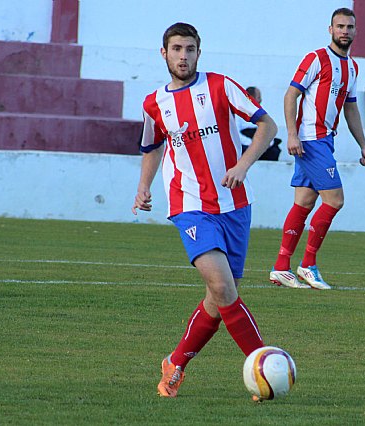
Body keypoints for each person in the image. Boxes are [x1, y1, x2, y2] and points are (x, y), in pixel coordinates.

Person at [132, 22, 277, 398]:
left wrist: (243, 165)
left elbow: (267, 124)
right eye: (177, 49)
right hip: (190, 206)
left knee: (218, 298)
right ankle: (264, 368)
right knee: (221, 286)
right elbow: (152, 147)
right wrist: (144, 186)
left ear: (199, 52)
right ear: (163, 53)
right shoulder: (154, 103)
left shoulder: (221, 86)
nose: (183, 56)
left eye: (190, 49)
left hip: (235, 206)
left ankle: (175, 363)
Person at [269, 8, 365, 290]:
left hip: (325, 139)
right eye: (339, 26)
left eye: (350, 27)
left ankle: (281, 267)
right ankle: (308, 264)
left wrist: (363, 145)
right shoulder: (316, 58)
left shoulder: (352, 67)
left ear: (355, 31)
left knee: (303, 202)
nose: (345, 31)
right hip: (310, 139)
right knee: (335, 200)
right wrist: (292, 134)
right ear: (330, 29)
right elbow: (291, 94)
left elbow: (350, 107)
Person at [237, 86, 282, 160]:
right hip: (247, 143)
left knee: (274, 150)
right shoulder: (238, 113)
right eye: (258, 97)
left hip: (261, 142)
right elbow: (237, 134)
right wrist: (251, 144)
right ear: (251, 98)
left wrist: (266, 144)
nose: (260, 100)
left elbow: (268, 131)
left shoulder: (262, 114)